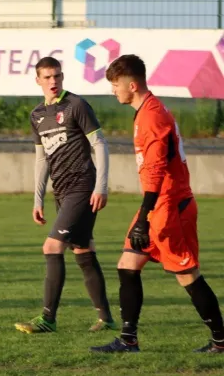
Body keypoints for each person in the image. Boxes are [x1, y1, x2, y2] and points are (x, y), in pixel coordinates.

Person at [90, 54, 223, 353]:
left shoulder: (151, 116)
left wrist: (143, 217)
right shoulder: (149, 110)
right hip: (159, 204)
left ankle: (221, 340)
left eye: (115, 85)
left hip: (170, 207)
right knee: (128, 264)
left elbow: (156, 170)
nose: (113, 91)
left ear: (132, 85)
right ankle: (128, 340)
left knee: (188, 274)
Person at [14, 56, 116, 334]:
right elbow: (41, 159)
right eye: (47, 77)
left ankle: (48, 318)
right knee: (83, 250)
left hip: (83, 186)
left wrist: (101, 186)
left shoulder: (76, 105)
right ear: (38, 80)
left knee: (51, 247)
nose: (53, 82)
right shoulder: (37, 115)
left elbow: (100, 144)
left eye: (57, 76)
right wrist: (38, 199)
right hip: (61, 191)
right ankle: (106, 318)